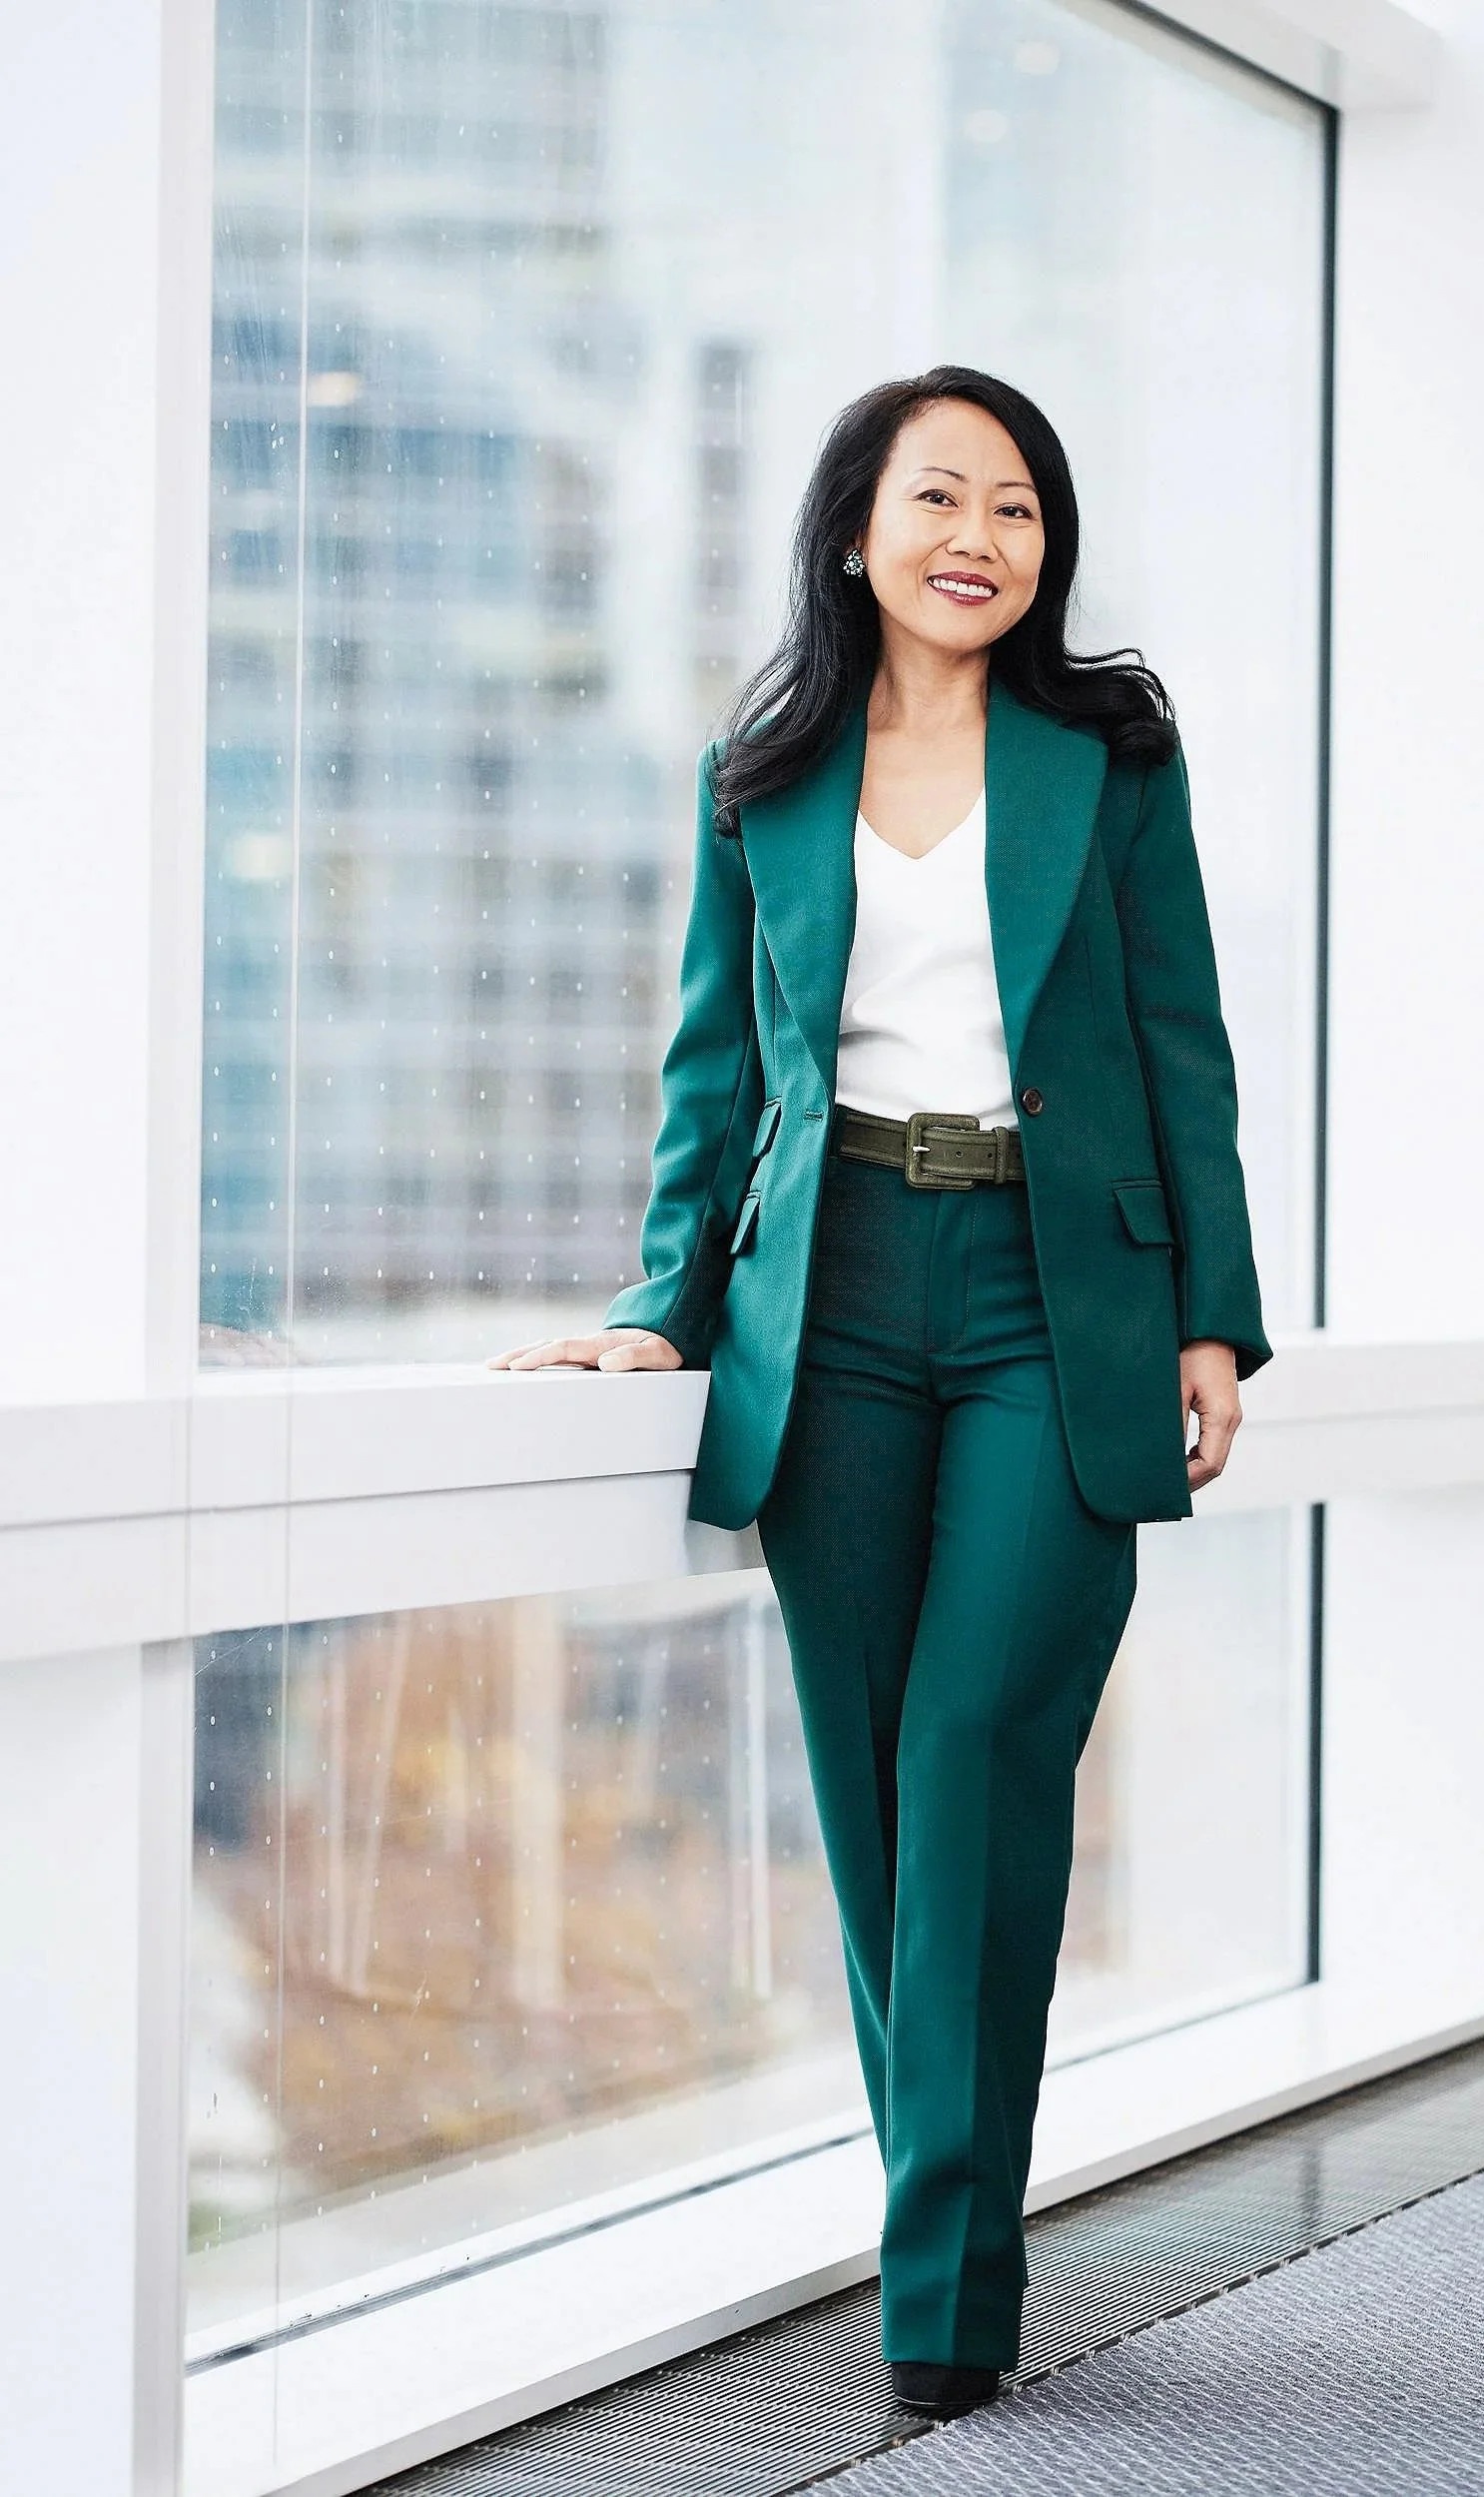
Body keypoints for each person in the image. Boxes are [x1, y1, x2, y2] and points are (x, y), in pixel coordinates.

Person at [490, 366, 1271, 2417]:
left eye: (1016, 508)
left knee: (967, 1748)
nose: (979, 538)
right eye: (940, 497)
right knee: (867, 1798)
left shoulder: (1108, 753)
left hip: (1049, 1294)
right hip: (822, 1294)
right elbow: (709, 1067)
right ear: (855, 527)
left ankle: (938, 2286)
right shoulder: (761, 772)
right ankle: (944, 2229)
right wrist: (664, 1301)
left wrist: (1212, 1313)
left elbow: (1177, 1035)